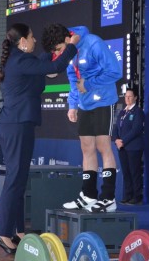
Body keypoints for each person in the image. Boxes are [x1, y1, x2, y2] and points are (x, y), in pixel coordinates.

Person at [0, 23, 78, 254]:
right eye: (31, 37)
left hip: (18, 124)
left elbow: (46, 64)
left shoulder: (21, 60)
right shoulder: (20, 61)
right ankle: (1, 233)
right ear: (22, 42)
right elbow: (57, 65)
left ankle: (18, 230)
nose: (35, 40)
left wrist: (54, 49)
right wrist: (71, 46)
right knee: (14, 179)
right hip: (16, 125)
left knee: (19, 179)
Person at [42, 23, 122, 213]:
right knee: (86, 148)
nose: (60, 54)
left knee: (103, 146)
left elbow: (115, 71)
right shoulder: (70, 53)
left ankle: (109, 198)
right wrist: (73, 105)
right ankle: (88, 195)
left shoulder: (93, 43)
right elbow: (73, 80)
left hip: (104, 100)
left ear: (68, 39)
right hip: (85, 104)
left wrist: (90, 83)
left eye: (60, 49)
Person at [112, 87, 145, 205]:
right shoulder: (122, 112)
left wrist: (123, 141)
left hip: (133, 147)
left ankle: (137, 196)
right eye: (126, 96)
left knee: (134, 172)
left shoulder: (138, 112)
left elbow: (136, 130)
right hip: (122, 147)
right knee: (126, 172)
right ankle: (127, 195)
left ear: (135, 97)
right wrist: (116, 139)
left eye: (130, 96)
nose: (127, 98)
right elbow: (116, 127)